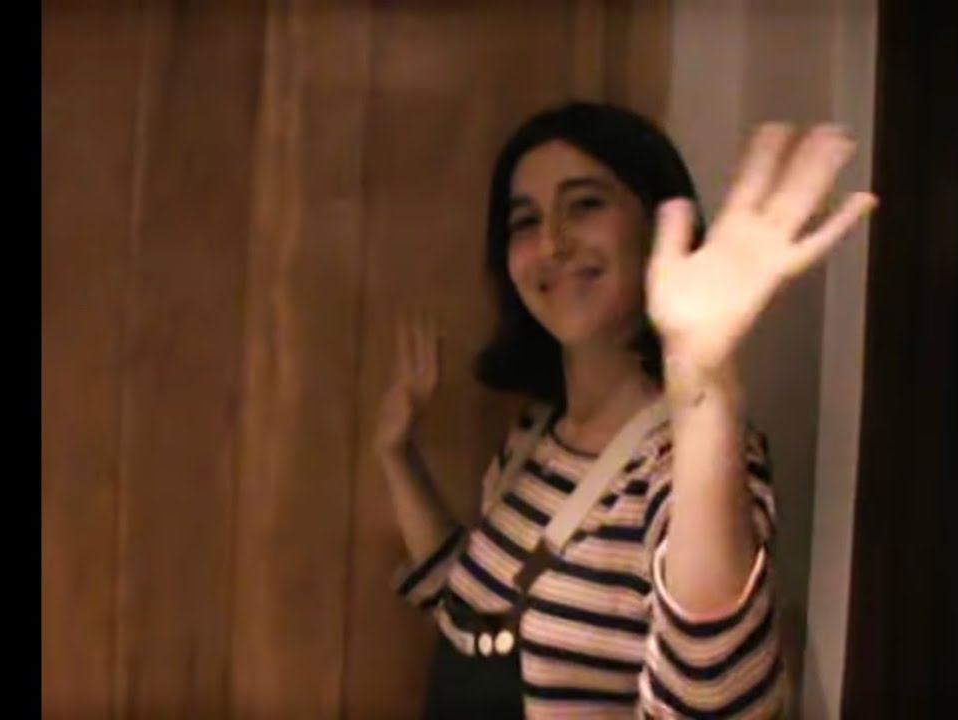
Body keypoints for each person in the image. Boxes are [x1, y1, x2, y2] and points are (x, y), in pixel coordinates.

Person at [372, 101, 876, 719]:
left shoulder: (680, 462)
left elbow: (711, 702)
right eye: (524, 221)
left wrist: (701, 378)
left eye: (584, 204)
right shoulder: (535, 435)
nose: (550, 242)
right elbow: (470, 607)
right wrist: (396, 455)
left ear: (656, 227)